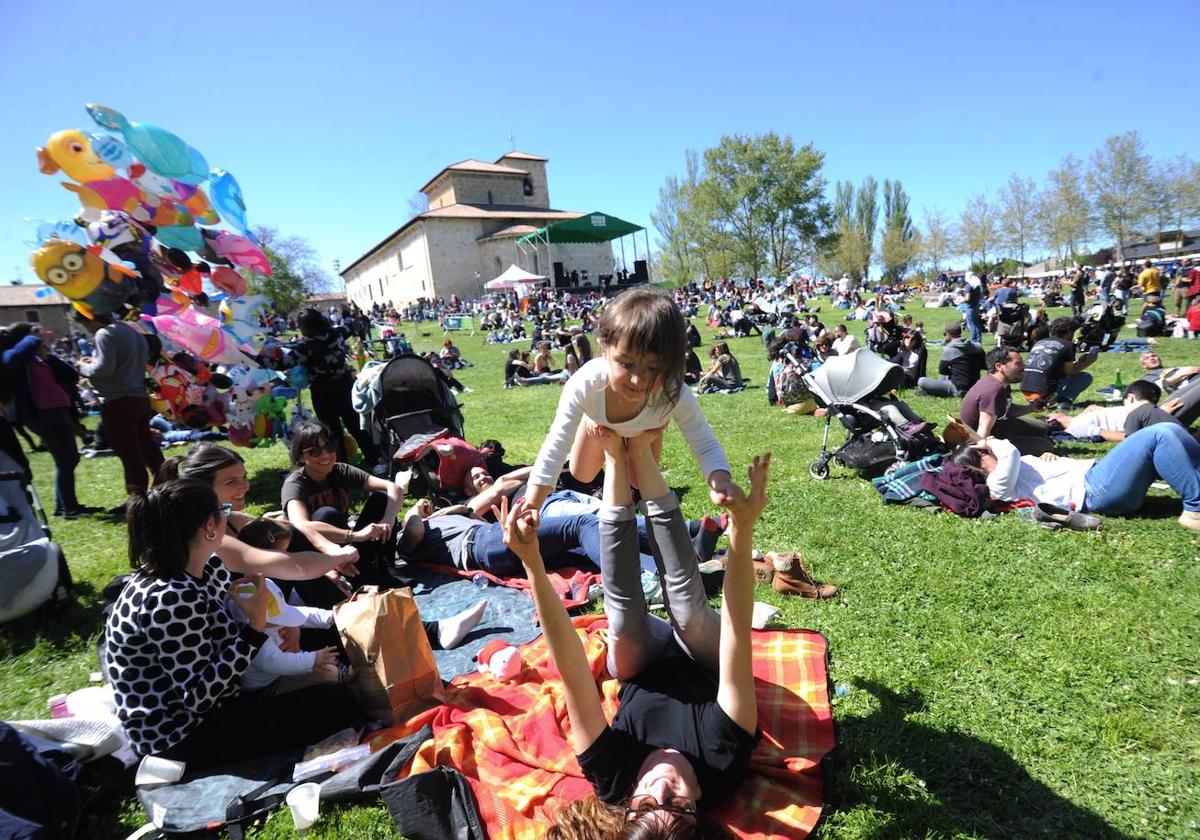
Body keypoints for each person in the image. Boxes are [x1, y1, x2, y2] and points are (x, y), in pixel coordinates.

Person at [503, 443, 771, 837]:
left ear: (624, 813)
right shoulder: (722, 757)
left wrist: (532, 563)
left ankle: (614, 454)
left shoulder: (613, 778)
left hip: (640, 663)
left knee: (624, 618)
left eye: (644, 804)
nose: (660, 786)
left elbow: (574, 671)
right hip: (704, 660)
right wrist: (742, 531)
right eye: (677, 806)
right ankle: (642, 453)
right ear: (699, 816)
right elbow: (735, 638)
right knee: (690, 614)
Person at [103, 479, 362, 767]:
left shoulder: (208, 565)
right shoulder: (169, 597)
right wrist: (254, 628)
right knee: (337, 704)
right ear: (208, 526)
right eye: (223, 510)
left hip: (233, 689)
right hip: (181, 733)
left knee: (334, 674)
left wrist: (281, 624)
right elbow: (198, 697)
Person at [521, 288, 742, 515]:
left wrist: (721, 482)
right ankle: (613, 446)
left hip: (646, 430)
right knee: (582, 473)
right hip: (600, 426)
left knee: (638, 481)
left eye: (654, 368)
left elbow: (703, 442)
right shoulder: (586, 383)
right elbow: (556, 445)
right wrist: (533, 503)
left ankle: (638, 444)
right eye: (626, 364)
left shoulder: (672, 390)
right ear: (605, 348)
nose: (638, 380)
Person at [950, 423, 1200, 531]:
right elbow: (1011, 452)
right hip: (1097, 489)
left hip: (1098, 481)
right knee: (1159, 435)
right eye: (984, 453)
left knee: (1172, 432)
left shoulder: (1006, 472)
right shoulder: (996, 485)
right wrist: (989, 440)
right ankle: (1194, 509)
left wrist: (1051, 459)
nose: (990, 451)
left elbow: (1028, 468)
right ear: (977, 465)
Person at [281, 421, 404, 589]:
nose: (325, 455)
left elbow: (393, 487)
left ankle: (384, 566)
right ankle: (362, 575)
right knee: (326, 514)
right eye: (314, 451)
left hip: (348, 545)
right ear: (301, 457)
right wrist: (355, 535)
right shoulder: (295, 484)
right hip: (318, 555)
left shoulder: (340, 470)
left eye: (329, 447)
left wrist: (388, 519)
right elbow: (301, 525)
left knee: (381, 499)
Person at [0, 324, 97, 517]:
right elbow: (14, 357)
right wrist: (33, 337)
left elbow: (69, 373)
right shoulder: (12, 357)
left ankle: (64, 506)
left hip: (55, 411)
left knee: (66, 458)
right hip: (41, 413)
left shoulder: (37, 358)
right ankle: (69, 508)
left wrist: (46, 354)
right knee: (67, 458)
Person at [77, 314, 163, 504]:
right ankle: (165, 484)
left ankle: (137, 496)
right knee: (146, 444)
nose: (88, 329)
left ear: (92, 319)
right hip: (139, 396)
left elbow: (104, 369)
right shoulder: (133, 332)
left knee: (128, 451)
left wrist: (83, 366)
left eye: (85, 324)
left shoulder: (104, 333)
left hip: (117, 399)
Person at [284, 309, 380, 468]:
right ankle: (375, 460)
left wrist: (258, 356)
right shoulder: (336, 334)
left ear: (306, 327)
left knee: (332, 432)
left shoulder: (304, 346)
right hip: (345, 387)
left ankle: (342, 467)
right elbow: (351, 326)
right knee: (356, 426)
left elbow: (282, 363)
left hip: (323, 393)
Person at [958, 347, 1053, 456]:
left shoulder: (1001, 383)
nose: (1024, 367)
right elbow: (983, 429)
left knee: (1043, 428)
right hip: (989, 437)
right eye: (1018, 363)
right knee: (1046, 445)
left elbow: (1006, 410)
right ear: (999, 366)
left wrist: (1031, 408)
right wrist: (981, 454)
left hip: (1001, 425)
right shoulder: (992, 390)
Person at [1020, 317, 1097, 409]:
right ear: (1069, 332)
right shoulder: (1068, 345)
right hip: (1043, 391)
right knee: (1085, 377)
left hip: (1025, 389)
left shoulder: (1040, 342)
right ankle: (1065, 402)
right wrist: (1088, 362)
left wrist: (1079, 362)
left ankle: (1044, 400)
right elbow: (1069, 372)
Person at [916, 322, 984, 398]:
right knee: (942, 377)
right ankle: (933, 389)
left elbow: (942, 370)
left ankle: (930, 390)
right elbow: (984, 365)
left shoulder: (950, 349)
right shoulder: (976, 346)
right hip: (974, 387)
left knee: (921, 381)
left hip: (959, 389)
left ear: (948, 334)